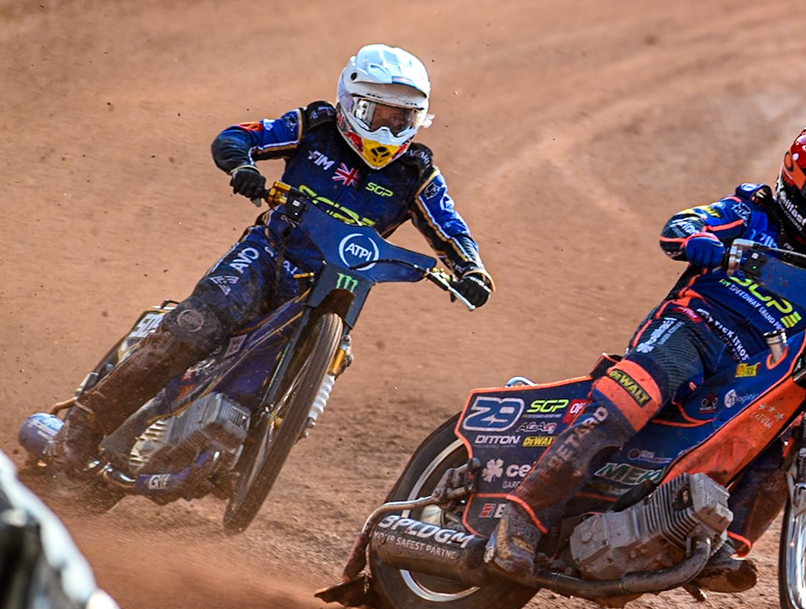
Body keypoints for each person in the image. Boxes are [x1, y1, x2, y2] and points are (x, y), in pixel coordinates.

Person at [484, 126, 806, 589]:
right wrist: (698, 241)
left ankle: (716, 544)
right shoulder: (751, 212)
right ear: (796, 184)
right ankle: (520, 520)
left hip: (747, 372)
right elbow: (682, 225)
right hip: (694, 330)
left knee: (788, 441)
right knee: (628, 401)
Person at [43, 44, 493, 478]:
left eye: (404, 118)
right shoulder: (315, 127)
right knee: (194, 326)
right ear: (352, 104)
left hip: (333, 287)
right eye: (382, 114)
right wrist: (243, 167)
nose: (391, 128)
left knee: (325, 369)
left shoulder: (416, 172)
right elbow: (238, 136)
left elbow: (450, 228)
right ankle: (84, 428)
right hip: (267, 255)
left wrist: (471, 269)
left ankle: (238, 462)